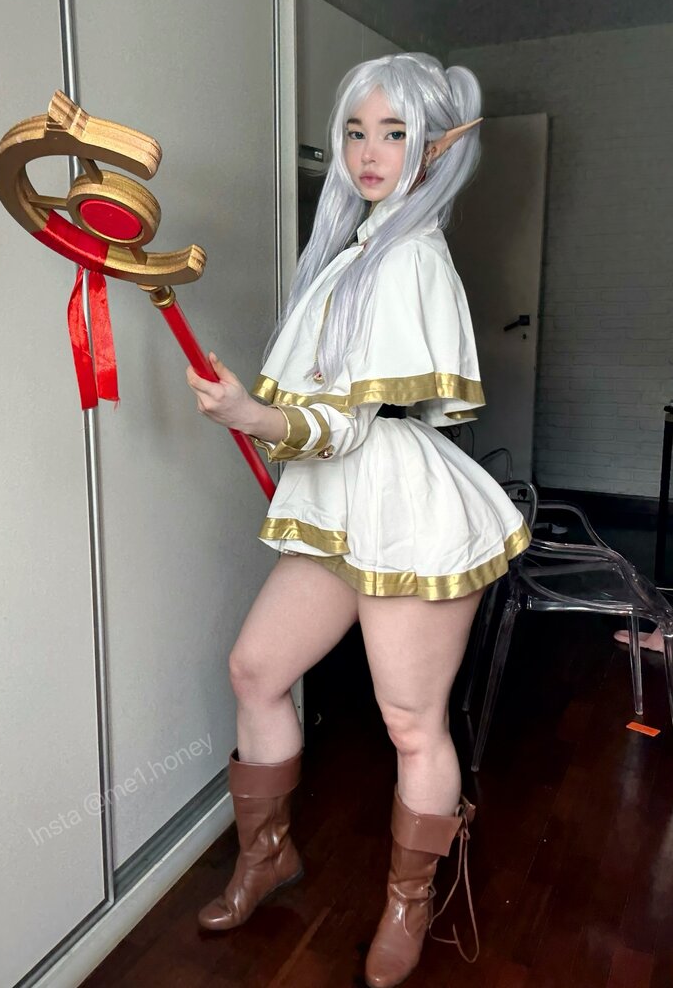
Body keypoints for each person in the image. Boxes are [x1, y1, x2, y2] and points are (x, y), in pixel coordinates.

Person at [185, 53, 531, 988]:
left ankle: (407, 904)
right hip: (343, 508)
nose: (369, 152)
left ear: (433, 150)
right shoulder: (354, 250)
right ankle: (267, 856)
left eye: (394, 133)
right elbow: (326, 417)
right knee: (257, 670)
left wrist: (256, 417)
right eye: (355, 131)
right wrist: (262, 414)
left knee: (411, 723)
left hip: (405, 512)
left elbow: (346, 424)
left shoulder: (410, 256)